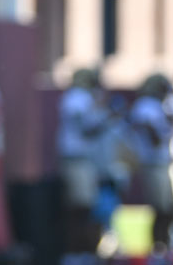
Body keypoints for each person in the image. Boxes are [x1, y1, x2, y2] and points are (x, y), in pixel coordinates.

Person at [57, 68, 113, 265]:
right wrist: (107, 118)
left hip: (84, 161)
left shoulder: (81, 98)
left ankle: (83, 252)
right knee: (80, 209)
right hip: (76, 160)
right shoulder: (76, 98)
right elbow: (85, 129)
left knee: (87, 209)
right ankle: (76, 254)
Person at [128, 73, 173, 251]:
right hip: (152, 162)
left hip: (161, 162)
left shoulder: (156, 106)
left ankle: (164, 244)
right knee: (161, 208)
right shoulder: (146, 106)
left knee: (167, 207)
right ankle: (159, 247)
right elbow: (151, 133)